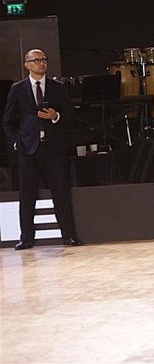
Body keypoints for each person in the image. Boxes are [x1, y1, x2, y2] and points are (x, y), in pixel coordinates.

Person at [2, 49, 82, 250]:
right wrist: (15, 142)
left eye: (44, 59)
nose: (41, 63)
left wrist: (55, 116)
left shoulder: (57, 87)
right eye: (36, 60)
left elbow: (71, 117)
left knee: (61, 193)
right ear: (27, 64)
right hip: (28, 149)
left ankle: (69, 236)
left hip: (53, 148)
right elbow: (7, 121)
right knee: (27, 195)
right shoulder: (18, 89)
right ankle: (26, 238)